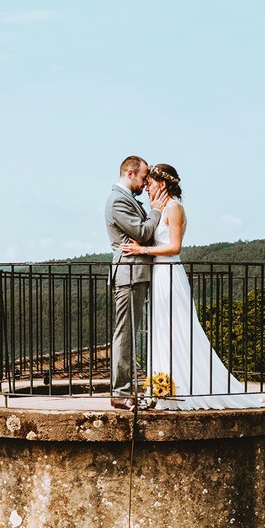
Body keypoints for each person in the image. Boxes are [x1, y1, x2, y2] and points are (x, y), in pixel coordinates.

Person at [122, 164, 265, 409]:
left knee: (178, 327)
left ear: (163, 184)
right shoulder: (158, 209)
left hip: (169, 273)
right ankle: (162, 387)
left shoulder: (175, 208)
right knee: (161, 328)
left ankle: (186, 387)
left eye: (151, 183)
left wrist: (142, 249)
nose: (147, 187)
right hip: (158, 274)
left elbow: (175, 246)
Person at [105, 155, 167, 408]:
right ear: (129, 173)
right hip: (129, 273)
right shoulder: (118, 200)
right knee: (125, 333)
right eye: (142, 177)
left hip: (137, 272)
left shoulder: (126, 198)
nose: (144, 183)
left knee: (130, 332)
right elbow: (142, 232)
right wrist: (156, 211)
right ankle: (120, 393)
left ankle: (126, 391)